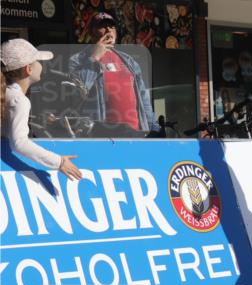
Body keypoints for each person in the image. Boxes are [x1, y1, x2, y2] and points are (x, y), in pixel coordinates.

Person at [1, 39, 83, 180]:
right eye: (38, 60)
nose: (42, 64)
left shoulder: (8, 94)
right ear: (29, 69)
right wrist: (59, 161)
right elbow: (19, 143)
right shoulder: (19, 100)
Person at [68, 12, 158, 134]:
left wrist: (153, 128)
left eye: (112, 27)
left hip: (135, 132)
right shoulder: (78, 60)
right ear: (91, 32)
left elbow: (143, 98)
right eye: (102, 26)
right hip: (102, 135)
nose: (108, 30)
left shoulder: (129, 61)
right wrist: (94, 57)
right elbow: (79, 92)